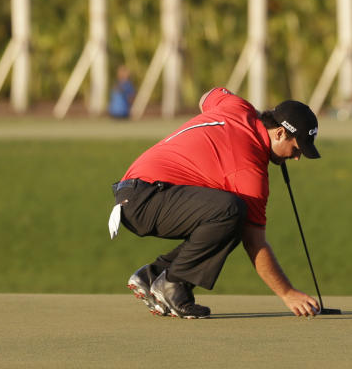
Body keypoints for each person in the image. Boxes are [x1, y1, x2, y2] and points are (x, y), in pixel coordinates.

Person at [108, 87, 322, 319]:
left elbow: (207, 96)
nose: (297, 157)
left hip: (138, 192)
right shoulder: (249, 169)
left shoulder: (239, 107)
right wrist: (288, 293)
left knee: (232, 214)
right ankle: (173, 285)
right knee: (232, 211)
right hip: (144, 200)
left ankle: (154, 275)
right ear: (279, 133)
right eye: (296, 148)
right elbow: (255, 243)